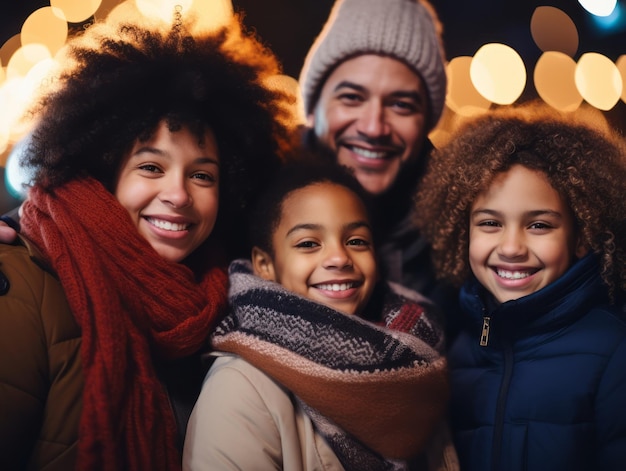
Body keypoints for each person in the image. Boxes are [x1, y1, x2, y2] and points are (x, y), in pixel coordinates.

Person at [0, 11, 294, 471]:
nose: (178, 195)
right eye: (151, 167)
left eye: (201, 175)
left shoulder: (222, 305)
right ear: (105, 173)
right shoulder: (19, 285)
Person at [183, 158, 457, 471]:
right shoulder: (239, 390)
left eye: (356, 241)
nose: (339, 257)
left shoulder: (420, 365)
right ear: (265, 264)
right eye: (309, 243)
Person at [413, 104, 626, 471]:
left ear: (581, 238)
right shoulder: (452, 349)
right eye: (491, 223)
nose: (512, 248)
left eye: (539, 226)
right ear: (465, 232)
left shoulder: (614, 352)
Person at [298, 0, 454, 316]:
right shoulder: (248, 207)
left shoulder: (461, 243)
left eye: (401, 105)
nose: (374, 128)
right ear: (314, 109)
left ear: (426, 123)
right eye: (352, 98)